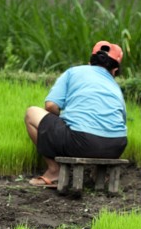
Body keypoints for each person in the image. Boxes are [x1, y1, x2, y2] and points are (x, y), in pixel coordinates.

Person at [24, 40, 128, 187]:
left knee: (31, 113)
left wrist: (59, 123)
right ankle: (100, 174)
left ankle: (54, 171)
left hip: (80, 141)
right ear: (114, 71)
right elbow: (122, 121)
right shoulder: (115, 87)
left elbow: (51, 105)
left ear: (89, 62)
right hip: (116, 145)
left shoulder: (74, 72)